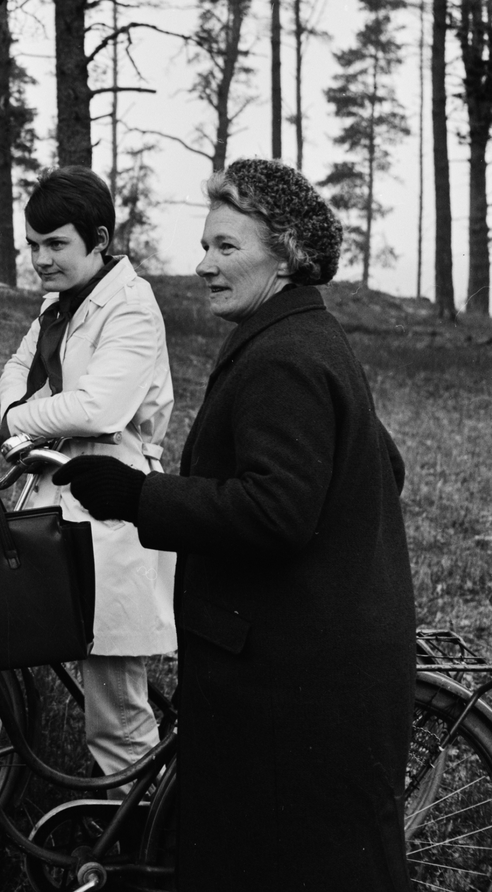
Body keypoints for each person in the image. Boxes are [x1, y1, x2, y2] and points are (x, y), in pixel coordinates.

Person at [53, 158, 416, 891]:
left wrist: (140, 495)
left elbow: (278, 511)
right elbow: (385, 465)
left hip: (291, 690)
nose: (204, 265)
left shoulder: (283, 358)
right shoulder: (307, 336)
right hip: (315, 676)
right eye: (205, 245)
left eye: (227, 247)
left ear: (284, 254)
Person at [0, 165, 176, 781]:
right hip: (53, 494)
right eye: (33, 245)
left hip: (111, 502)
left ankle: (140, 836)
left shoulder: (131, 305)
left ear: (98, 241)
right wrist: (24, 414)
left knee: (113, 702)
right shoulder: (58, 305)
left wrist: (23, 421)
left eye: (56, 244)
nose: (41, 258)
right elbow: (14, 375)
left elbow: (100, 409)